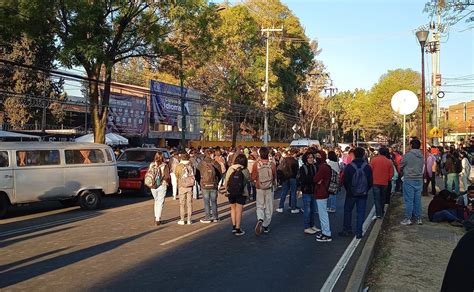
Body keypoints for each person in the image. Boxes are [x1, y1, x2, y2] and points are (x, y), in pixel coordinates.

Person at [339, 147, 373, 239]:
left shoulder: (349, 167)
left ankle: (347, 229)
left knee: (347, 211)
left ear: (354, 154)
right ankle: (359, 232)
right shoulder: (367, 167)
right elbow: (370, 181)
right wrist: (366, 189)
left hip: (351, 193)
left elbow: (345, 181)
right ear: (363, 155)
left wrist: (349, 190)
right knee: (361, 212)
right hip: (363, 193)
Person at [252, 147, 276, 235]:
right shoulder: (272, 164)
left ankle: (260, 219)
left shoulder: (256, 164)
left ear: (260, 154)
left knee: (260, 206)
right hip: (269, 188)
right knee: (269, 207)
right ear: (268, 154)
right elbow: (274, 176)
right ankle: (265, 226)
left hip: (259, 187)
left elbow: (253, 177)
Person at [400, 138, 425, 225]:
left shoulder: (407, 155)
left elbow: (401, 165)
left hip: (409, 179)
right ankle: (418, 218)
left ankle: (408, 218)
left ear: (411, 145)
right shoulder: (422, 156)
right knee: (417, 200)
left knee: (409, 200)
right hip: (419, 179)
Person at [224, 153, 249, 236]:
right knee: (239, 210)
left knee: (232, 208)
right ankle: (238, 228)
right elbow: (246, 181)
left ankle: (234, 227)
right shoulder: (245, 170)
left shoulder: (231, 168)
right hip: (241, 192)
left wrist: (226, 189)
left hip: (231, 192)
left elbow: (226, 180)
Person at [196, 148, 222, 223]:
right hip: (214, 185)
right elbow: (220, 174)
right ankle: (215, 217)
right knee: (214, 201)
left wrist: (200, 183)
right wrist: (216, 182)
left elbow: (197, 175)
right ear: (211, 154)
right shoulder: (215, 163)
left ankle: (207, 217)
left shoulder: (201, 163)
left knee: (206, 201)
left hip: (204, 185)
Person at [297, 152, 319, 234]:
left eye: (312, 157)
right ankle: (307, 226)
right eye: (309, 157)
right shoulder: (303, 168)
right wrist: (314, 179)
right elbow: (304, 180)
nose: (311, 159)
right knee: (307, 209)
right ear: (305, 159)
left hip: (313, 190)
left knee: (313, 209)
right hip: (306, 191)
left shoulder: (314, 167)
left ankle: (312, 225)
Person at [314, 150, 332, 242]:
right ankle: (325, 232)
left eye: (318, 156)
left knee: (323, 214)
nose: (317, 158)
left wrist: (318, 180)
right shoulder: (326, 166)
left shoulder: (322, 167)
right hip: (324, 191)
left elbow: (316, 179)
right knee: (323, 213)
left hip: (321, 192)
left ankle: (326, 233)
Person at [369, 147, 393, 219]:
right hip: (385, 182)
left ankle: (378, 213)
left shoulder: (374, 160)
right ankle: (381, 211)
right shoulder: (389, 161)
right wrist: (388, 179)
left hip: (375, 182)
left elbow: (370, 170)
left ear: (379, 152)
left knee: (377, 198)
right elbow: (391, 173)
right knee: (383, 198)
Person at [149, 151, 171, 226]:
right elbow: (167, 176)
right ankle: (158, 219)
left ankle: (156, 216)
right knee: (160, 202)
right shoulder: (164, 165)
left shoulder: (152, 164)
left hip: (152, 185)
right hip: (162, 185)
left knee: (156, 200)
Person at [276, 148, 300, 213]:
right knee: (293, 192)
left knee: (284, 192)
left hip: (285, 178)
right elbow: (297, 171)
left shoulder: (284, 159)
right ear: (294, 153)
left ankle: (280, 207)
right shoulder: (295, 161)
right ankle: (293, 208)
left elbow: (279, 168)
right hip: (293, 178)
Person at [175, 152, 195, 225]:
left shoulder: (179, 166)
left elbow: (176, 175)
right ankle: (189, 219)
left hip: (182, 186)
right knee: (189, 203)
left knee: (182, 204)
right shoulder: (191, 164)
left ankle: (182, 219)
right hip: (190, 186)